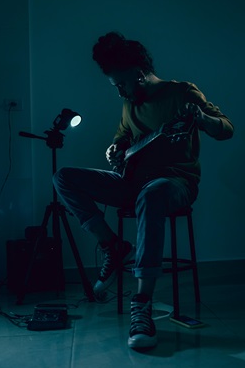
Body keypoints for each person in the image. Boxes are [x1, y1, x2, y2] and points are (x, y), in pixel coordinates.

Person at [53, 31, 234, 349]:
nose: (120, 91)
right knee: (64, 177)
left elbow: (226, 129)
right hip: (131, 184)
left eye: (121, 83)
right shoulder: (129, 103)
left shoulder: (182, 93)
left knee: (153, 193)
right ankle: (112, 246)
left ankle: (142, 306)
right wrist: (114, 149)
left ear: (138, 73)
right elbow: (122, 139)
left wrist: (202, 119)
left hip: (175, 183)